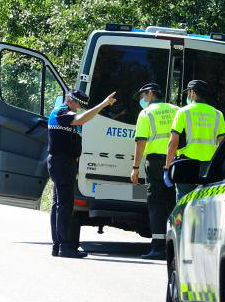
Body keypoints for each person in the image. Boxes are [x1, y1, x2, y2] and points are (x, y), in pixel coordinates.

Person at [48, 89, 117, 258]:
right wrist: (104, 104)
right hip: (62, 163)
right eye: (78, 104)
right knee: (64, 205)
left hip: (64, 162)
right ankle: (64, 247)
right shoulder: (61, 112)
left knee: (59, 204)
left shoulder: (66, 113)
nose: (79, 107)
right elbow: (82, 119)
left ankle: (58, 246)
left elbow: (76, 128)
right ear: (71, 100)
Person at [130, 83, 178, 260]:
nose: (141, 99)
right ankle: (176, 246)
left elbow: (140, 142)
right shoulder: (177, 110)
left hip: (156, 163)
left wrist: (135, 168)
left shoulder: (146, 113)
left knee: (156, 204)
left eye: (143, 95)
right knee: (173, 203)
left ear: (151, 93)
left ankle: (158, 247)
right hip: (176, 163)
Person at [165, 80, 225, 198]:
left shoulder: (183, 112)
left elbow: (173, 142)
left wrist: (167, 167)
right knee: (205, 201)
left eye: (188, 92)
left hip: (186, 165)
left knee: (184, 201)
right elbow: (223, 144)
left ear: (193, 93)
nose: (188, 95)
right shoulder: (217, 114)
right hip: (208, 167)